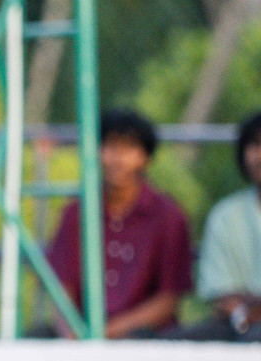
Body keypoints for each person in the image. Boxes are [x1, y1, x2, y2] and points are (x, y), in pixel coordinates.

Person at [39, 108, 193, 339]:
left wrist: (106, 334)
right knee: (33, 339)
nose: (118, 157)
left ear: (145, 157)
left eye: (129, 148)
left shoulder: (168, 216)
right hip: (80, 334)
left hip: (143, 337)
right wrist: (71, 332)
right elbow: (62, 289)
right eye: (110, 146)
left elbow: (168, 300)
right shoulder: (76, 213)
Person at [174, 112, 261, 341]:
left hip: (247, 323)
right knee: (173, 341)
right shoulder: (225, 214)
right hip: (237, 325)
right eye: (254, 145)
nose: (259, 155)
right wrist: (247, 312)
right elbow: (223, 299)